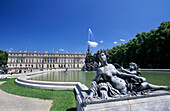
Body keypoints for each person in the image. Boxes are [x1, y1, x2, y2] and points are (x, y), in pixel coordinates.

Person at [87, 50, 170, 100]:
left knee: (146, 84)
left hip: (127, 85)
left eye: (102, 55)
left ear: (106, 56)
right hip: (120, 90)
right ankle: (163, 87)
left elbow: (120, 74)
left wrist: (133, 76)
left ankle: (164, 87)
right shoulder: (100, 70)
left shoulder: (111, 66)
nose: (101, 57)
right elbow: (95, 81)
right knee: (145, 85)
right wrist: (91, 94)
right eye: (99, 57)